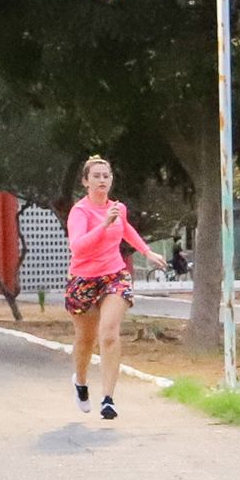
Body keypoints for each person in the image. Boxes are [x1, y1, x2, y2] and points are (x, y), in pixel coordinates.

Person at [65, 157, 167, 420]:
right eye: (96, 176)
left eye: (106, 176)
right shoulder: (80, 212)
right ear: (86, 181)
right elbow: (78, 246)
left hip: (114, 275)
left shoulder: (117, 209)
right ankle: (80, 381)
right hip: (84, 279)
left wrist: (147, 251)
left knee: (108, 333)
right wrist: (103, 225)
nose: (102, 180)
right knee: (85, 340)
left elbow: (127, 230)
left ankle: (108, 399)